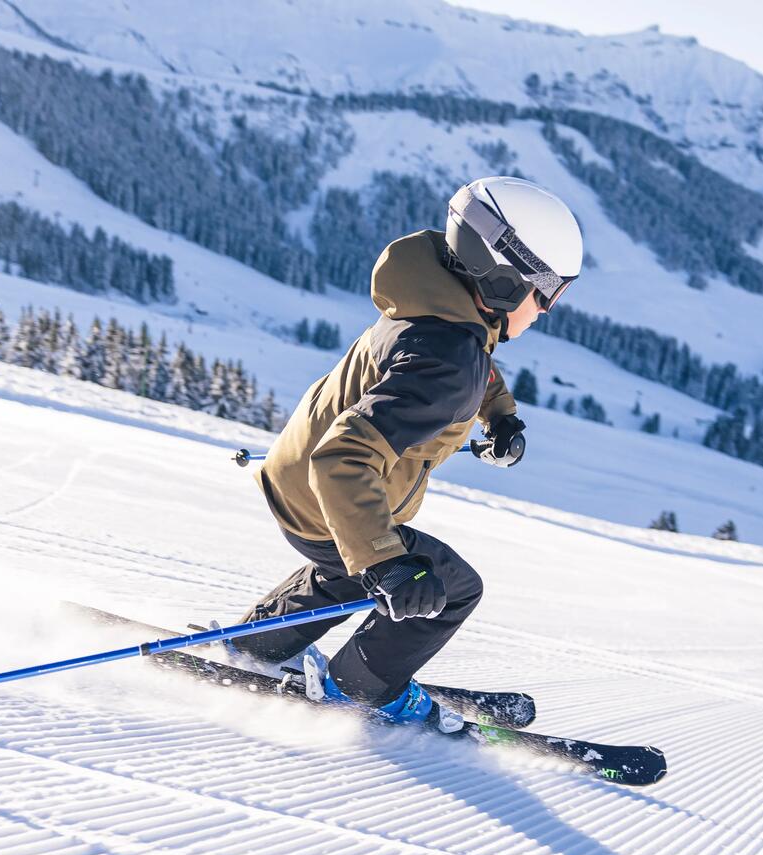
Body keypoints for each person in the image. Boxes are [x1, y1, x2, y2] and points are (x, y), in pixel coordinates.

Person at [231, 176, 584, 730]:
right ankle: (361, 687)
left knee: (344, 571)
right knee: (448, 589)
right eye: (548, 293)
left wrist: (500, 413)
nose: (547, 311)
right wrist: (387, 564)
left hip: (296, 480)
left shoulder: (435, 299)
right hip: (330, 493)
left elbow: (470, 358)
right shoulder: (449, 364)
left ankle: (254, 644)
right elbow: (343, 457)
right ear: (506, 280)